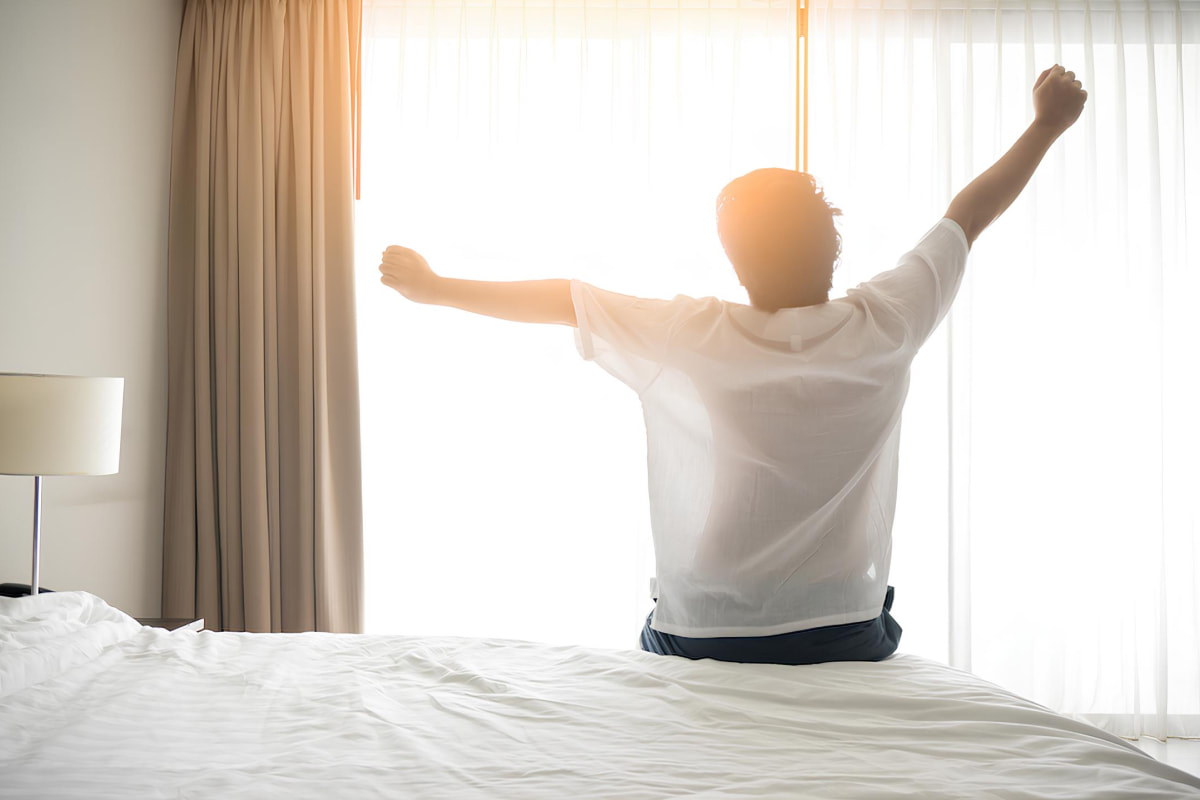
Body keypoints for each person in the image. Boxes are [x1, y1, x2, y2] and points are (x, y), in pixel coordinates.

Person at [379, 65, 1088, 665]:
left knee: (655, 638)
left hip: (706, 627)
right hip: (839, 627)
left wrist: (438, 288)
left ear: (738, 263)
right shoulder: (886, 321)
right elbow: (967, 214)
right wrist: (1046, 125)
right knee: (883, 619)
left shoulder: (699, 331)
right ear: (832, 247)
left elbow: (568, 299)